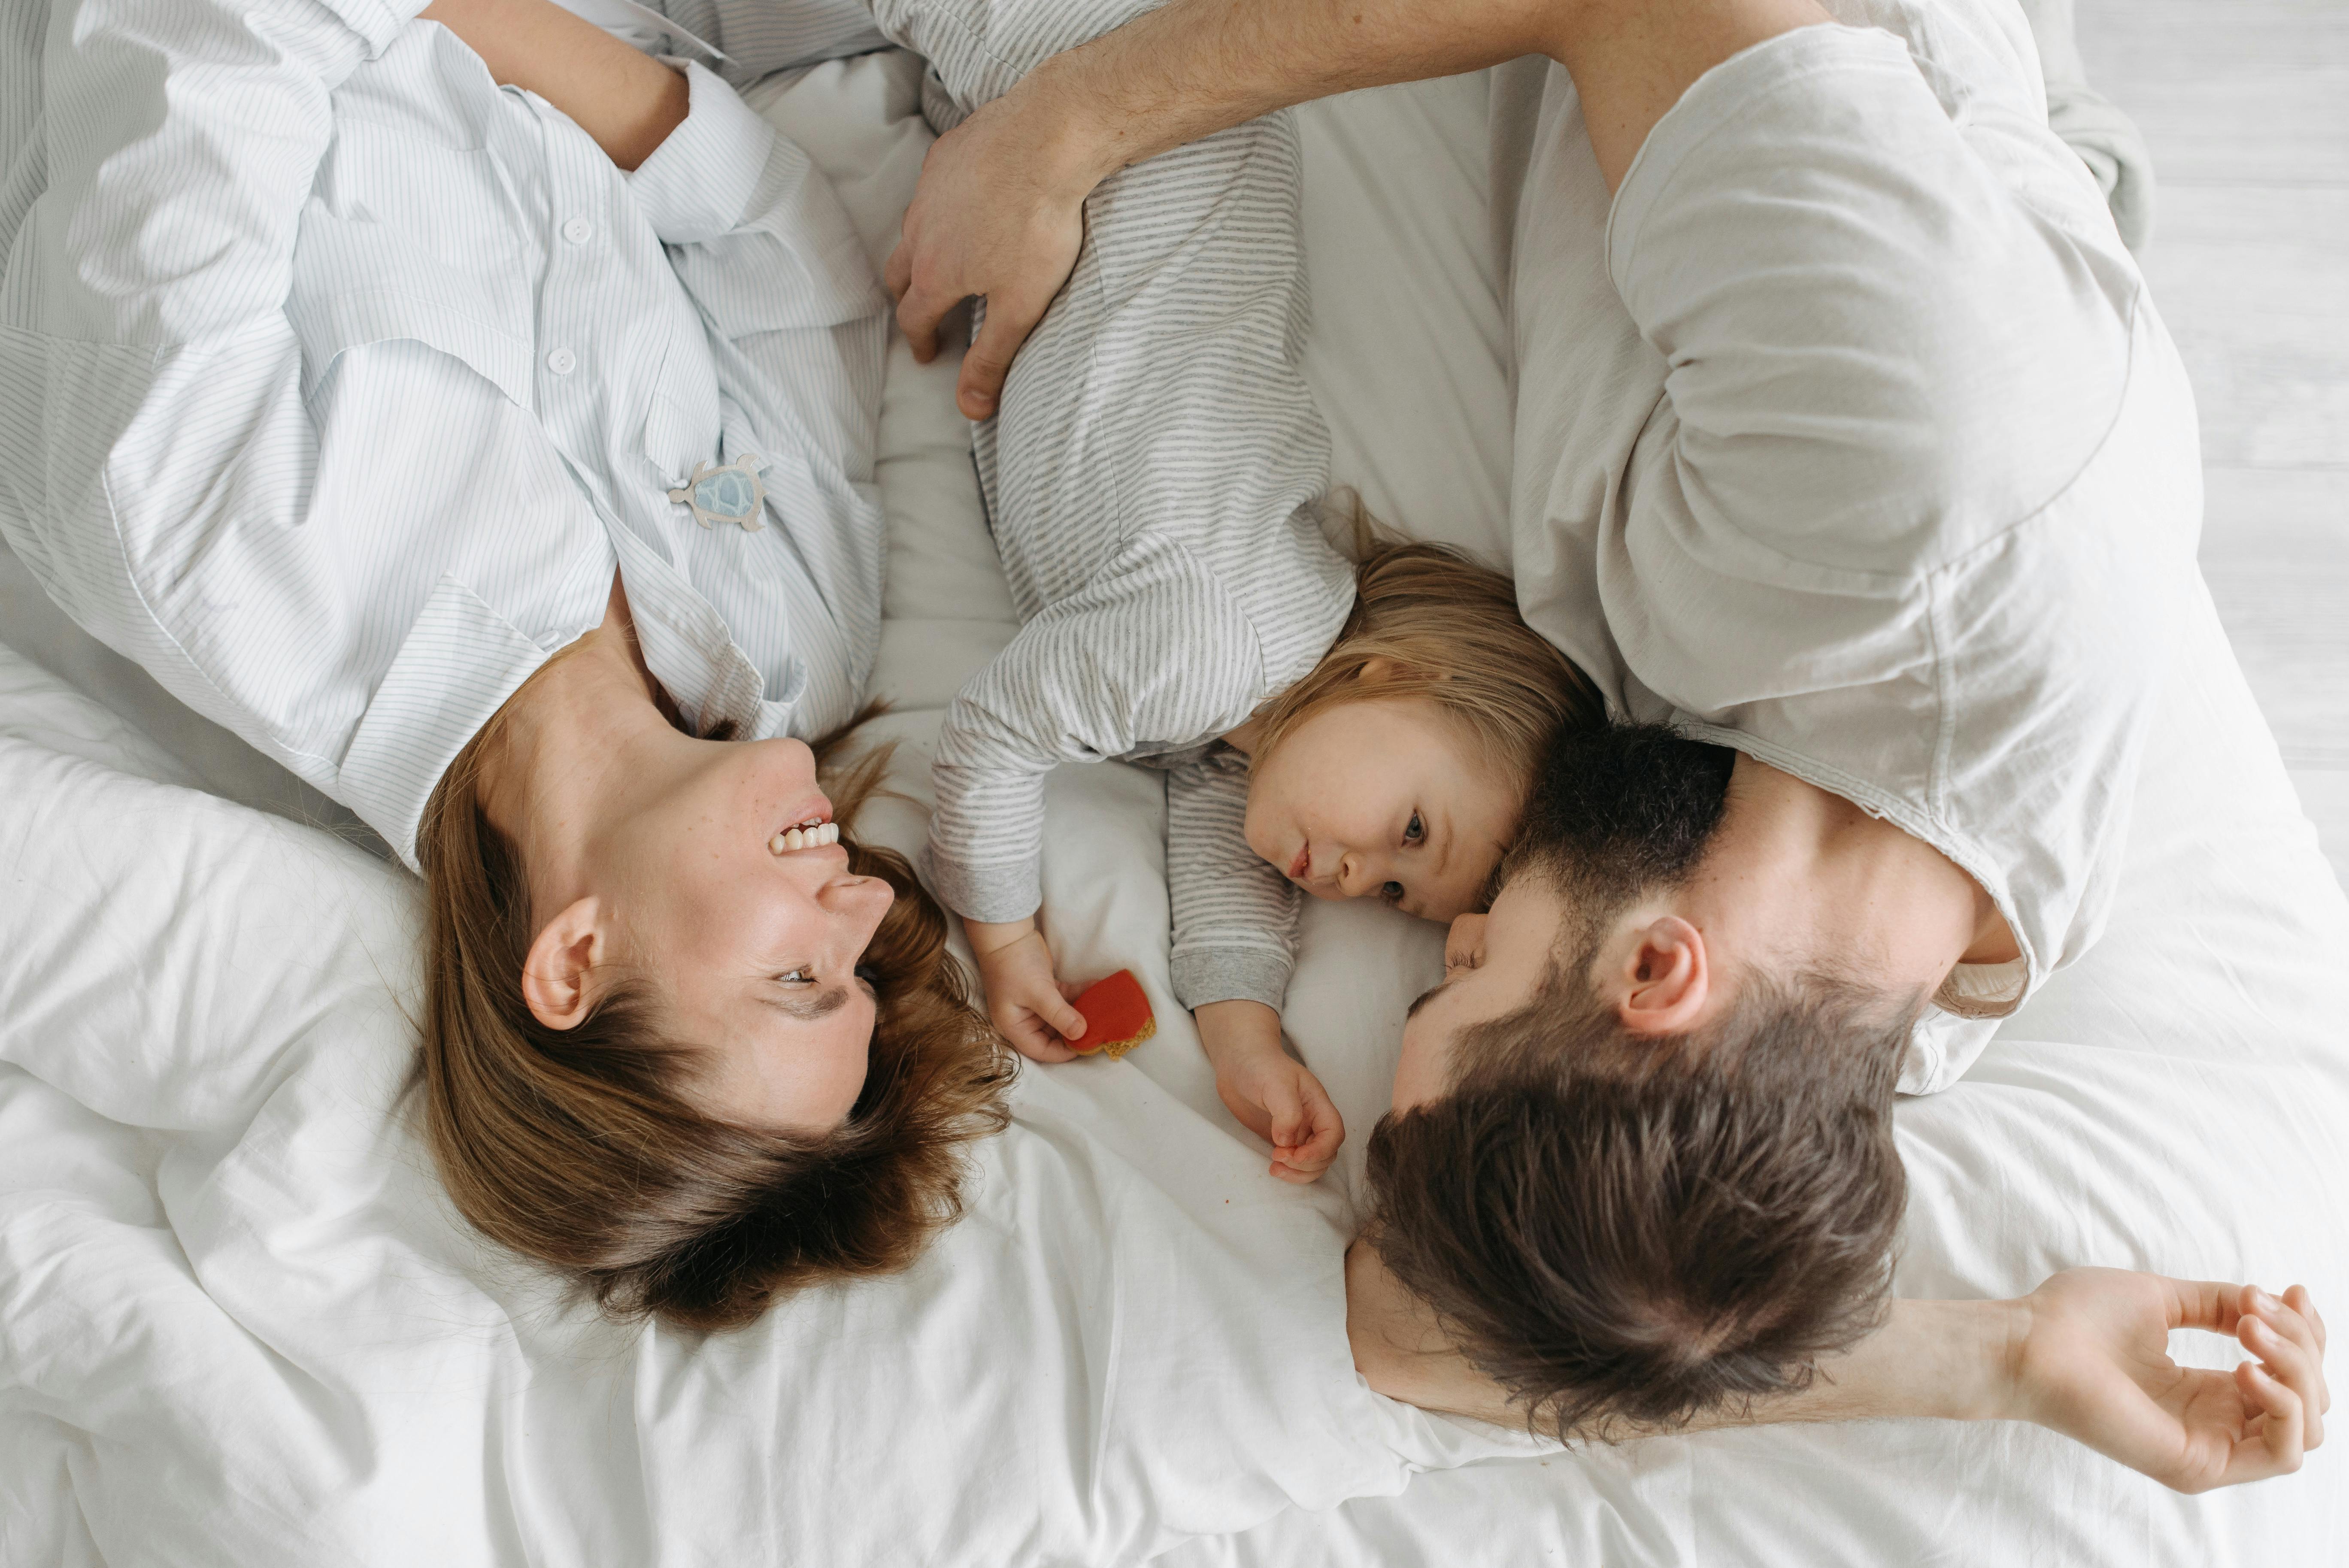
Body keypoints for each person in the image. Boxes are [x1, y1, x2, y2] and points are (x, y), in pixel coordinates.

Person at [873, 0, 2328, 1489]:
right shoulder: (1903, 494)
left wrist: (2005, 1357)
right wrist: (1065, 129)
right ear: (1653, 975)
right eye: (1468, 978)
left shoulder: (1826, 1009)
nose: (1451, 928)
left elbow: (1405, 1335)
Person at [0, 0, 1009, 1329]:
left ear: (573, 964)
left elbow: (202, 24)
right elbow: (787, 247)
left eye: (797, 980)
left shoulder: (210, 543)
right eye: (860, 971)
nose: (867, 908)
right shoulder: (791, 652)